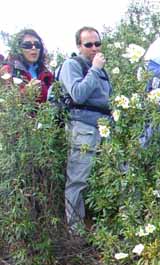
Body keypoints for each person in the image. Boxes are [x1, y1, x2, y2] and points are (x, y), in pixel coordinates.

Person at [58, 26, 112, 235]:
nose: (94, 48)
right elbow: (78, 94)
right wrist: (95, 69)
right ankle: (76, 234)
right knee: (78, 179)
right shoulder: (72, 65)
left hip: (104, 128)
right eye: (88, 44)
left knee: (115, 173)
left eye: (97, 43)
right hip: (82, 128)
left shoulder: (99, 68)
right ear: (79, 46)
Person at [0, 29, 54, 103]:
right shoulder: (7, 70)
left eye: (37, 45)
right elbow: (5, 103)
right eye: (27, 45)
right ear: (18, 49)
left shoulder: (47, 73)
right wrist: (27, 91)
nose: (33, 48)